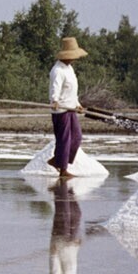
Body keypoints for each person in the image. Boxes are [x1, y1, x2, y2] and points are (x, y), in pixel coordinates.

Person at [47, 36, 87, 178]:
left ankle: (57, 160)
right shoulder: (57, 70)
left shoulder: (69, 69)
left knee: (76, 137)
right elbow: (55, 87)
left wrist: (78, 104)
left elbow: (71, 90)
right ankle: (63, 170)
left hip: (70, 108)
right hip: (61, 110)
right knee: (64, 139)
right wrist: (54, 100)